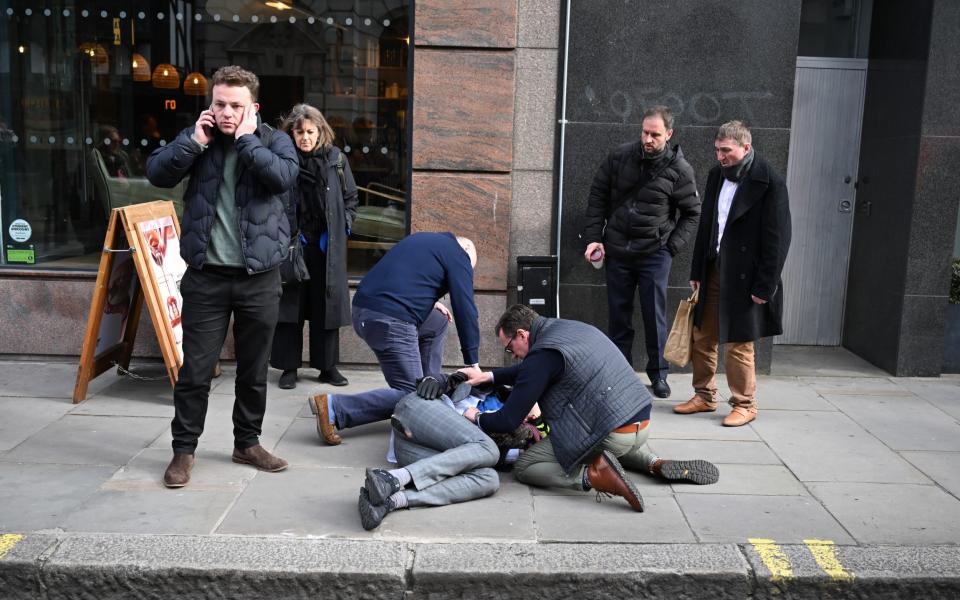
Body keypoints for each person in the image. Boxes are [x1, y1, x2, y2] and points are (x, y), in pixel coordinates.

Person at [146, 65, 299, 487]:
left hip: (259, 278)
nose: (226, 112)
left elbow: (283, 178)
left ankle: (247, 443)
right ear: (210, 103)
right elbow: (157, 173)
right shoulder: (199, 139)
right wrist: (195, 141)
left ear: (253, 107)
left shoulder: (274, 140)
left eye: (235, 106)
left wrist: (247, 139)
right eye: (219, 104)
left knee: (253, 369)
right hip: (206, 278)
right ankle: (183, 451)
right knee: (194, 370)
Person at [459, 304, 719, 513]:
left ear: (522, 335)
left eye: (509, 347)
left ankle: (593, 476)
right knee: (615, 436)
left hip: (613, 432)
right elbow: (528, 370)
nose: (512, 354)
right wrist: (490, 377)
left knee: (527, 465)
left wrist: (477, 417)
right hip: (640, 420)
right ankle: (654, 463)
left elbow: (508, 420)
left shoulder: (542, 355)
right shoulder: (567, 329)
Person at [308, 232, 479, 445]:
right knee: (412, 397)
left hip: (364, 309)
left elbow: (400, 276)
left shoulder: (425, 240)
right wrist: (473, 362)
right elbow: (466, 309)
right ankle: (336, 408)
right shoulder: (459, 255)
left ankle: (431, 388)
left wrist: (428, 302)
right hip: (390, 320)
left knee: (437, 321)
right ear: (466, 253)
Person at [674, 120, 792, 427]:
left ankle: (745, 403)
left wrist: (765, 285)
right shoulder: (716, 176)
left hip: (746, 276)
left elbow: (778, 239)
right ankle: (704, 396)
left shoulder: (770, 181)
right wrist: (698, 268)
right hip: (714, 269)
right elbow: (707, 225)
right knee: (702, 336)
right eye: (717, 150)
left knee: (740, 341)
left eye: (726, 151)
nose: (720, 156)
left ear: (745, 147)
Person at [582, 106, 700, 399]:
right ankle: (621, 373)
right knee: (618, 317)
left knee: (654, 316)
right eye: (645, 132)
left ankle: (658, 374)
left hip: (654, 253)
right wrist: (595, 238)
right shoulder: (620, 156)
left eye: (655, 134)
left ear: (669, 134)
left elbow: (692, 213)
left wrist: (670, 248)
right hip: (618, 249)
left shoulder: (679, 170)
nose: (648, 139)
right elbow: (597, 196)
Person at [270, 104, 358, 390]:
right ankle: (289, 368)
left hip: (326, 247)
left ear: (320, 131)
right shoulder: (284, 160)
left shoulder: (336, 160)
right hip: (293, 244)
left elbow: (351, 198)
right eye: (300, 132)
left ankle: (327, 367)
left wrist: (343, 226)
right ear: (291, 134)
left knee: (325, 306)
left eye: (311, 132)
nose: (305, 138)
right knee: (291, 307)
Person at [357, 384, 500, 530]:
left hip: (420, 453)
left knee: (490, 478)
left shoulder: (522, 441)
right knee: (489, 448)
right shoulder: (505, 386)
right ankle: (392, 478)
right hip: (420, 414)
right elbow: (453, 379)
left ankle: (390, 501)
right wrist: (434, 381)